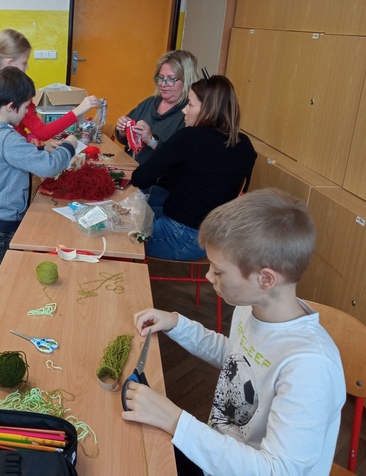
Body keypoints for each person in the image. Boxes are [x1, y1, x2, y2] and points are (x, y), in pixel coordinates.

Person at [123, 188, 345, 475]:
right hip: (219, 454)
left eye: (218, 271)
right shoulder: (251, 306)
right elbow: (237, 359)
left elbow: (278, 470)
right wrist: (177, 324)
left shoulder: (310, 367)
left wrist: (175, 420)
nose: (208, 276)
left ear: (265, 279)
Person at [0, 67, 78, 313]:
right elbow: (49, 167)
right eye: (26, 107)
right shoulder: (9, 140)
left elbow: (6, 158)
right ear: (10, 106)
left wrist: (39, 149)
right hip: (2, 224)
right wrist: (69, 146)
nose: (28, 112)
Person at [130, 75, 256, 260]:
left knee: (115, 228)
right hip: (214, 236)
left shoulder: (190, 137)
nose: (184, 110)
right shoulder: (245, 144)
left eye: (189, 104)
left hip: (182, 236)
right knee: (139, 203)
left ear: (207, 110)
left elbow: (139, 178)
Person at [0, 28, 101, 139]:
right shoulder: (14, 93)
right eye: (24, 62)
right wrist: (78, 110)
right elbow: (43, 133)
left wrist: (31, 142)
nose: (27, 67)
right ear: (10, 63)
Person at [114, 50, 199, 165]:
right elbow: (123, 140)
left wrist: (151, 140)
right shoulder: (149, 103)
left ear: (187, 80)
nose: (163, 84)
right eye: (161, 78)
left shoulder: (188, 114)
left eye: (171, 78)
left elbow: (178, 158)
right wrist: (123, 131)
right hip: (128, 166)